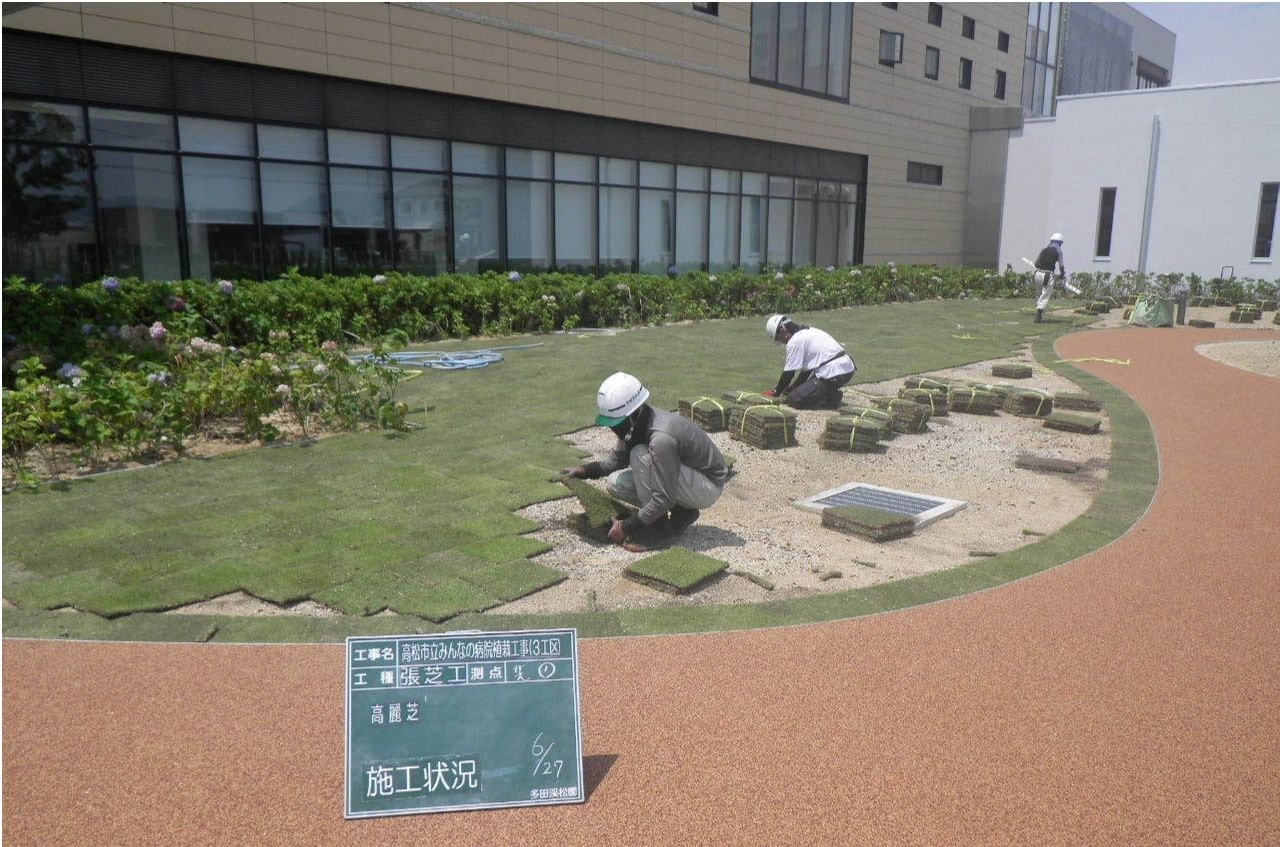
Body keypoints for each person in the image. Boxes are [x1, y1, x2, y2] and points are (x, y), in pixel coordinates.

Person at [561, 372, 727, 546]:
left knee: (640, 455)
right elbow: (617, 459)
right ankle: (683, 511)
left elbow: (664, 497)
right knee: (616, 483)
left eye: (616, 423)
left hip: (708, 485)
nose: (613, 429)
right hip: (687, 478)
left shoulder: (661, 437)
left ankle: (660, 532)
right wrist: (586, 470)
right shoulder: (640, 421)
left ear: (632, 414)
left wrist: (630, 525)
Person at [762, 315, 856, 409]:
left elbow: (789, 373)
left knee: (794, 399)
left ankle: (831, 397)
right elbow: (806, 372)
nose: (781, 342)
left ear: (782, 330)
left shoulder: (794, 341)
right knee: (800, 390)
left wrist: (776, 392)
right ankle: (829, 391)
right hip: (846, 369)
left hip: (833, 373)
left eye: (778, 339)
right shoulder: (808, 331)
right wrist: (792, 388)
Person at [1032, 233, 1067, 323]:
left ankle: (1038, 313)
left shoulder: (1043, 250)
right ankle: (1038, 316)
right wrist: (1062, 274)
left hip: (1037, 274)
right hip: (1047, 275)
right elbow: (1061, 266)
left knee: (1039, 294)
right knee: (1045, 295)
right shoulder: (1059, 251)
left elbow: (1036, 264)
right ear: (1059, 243)